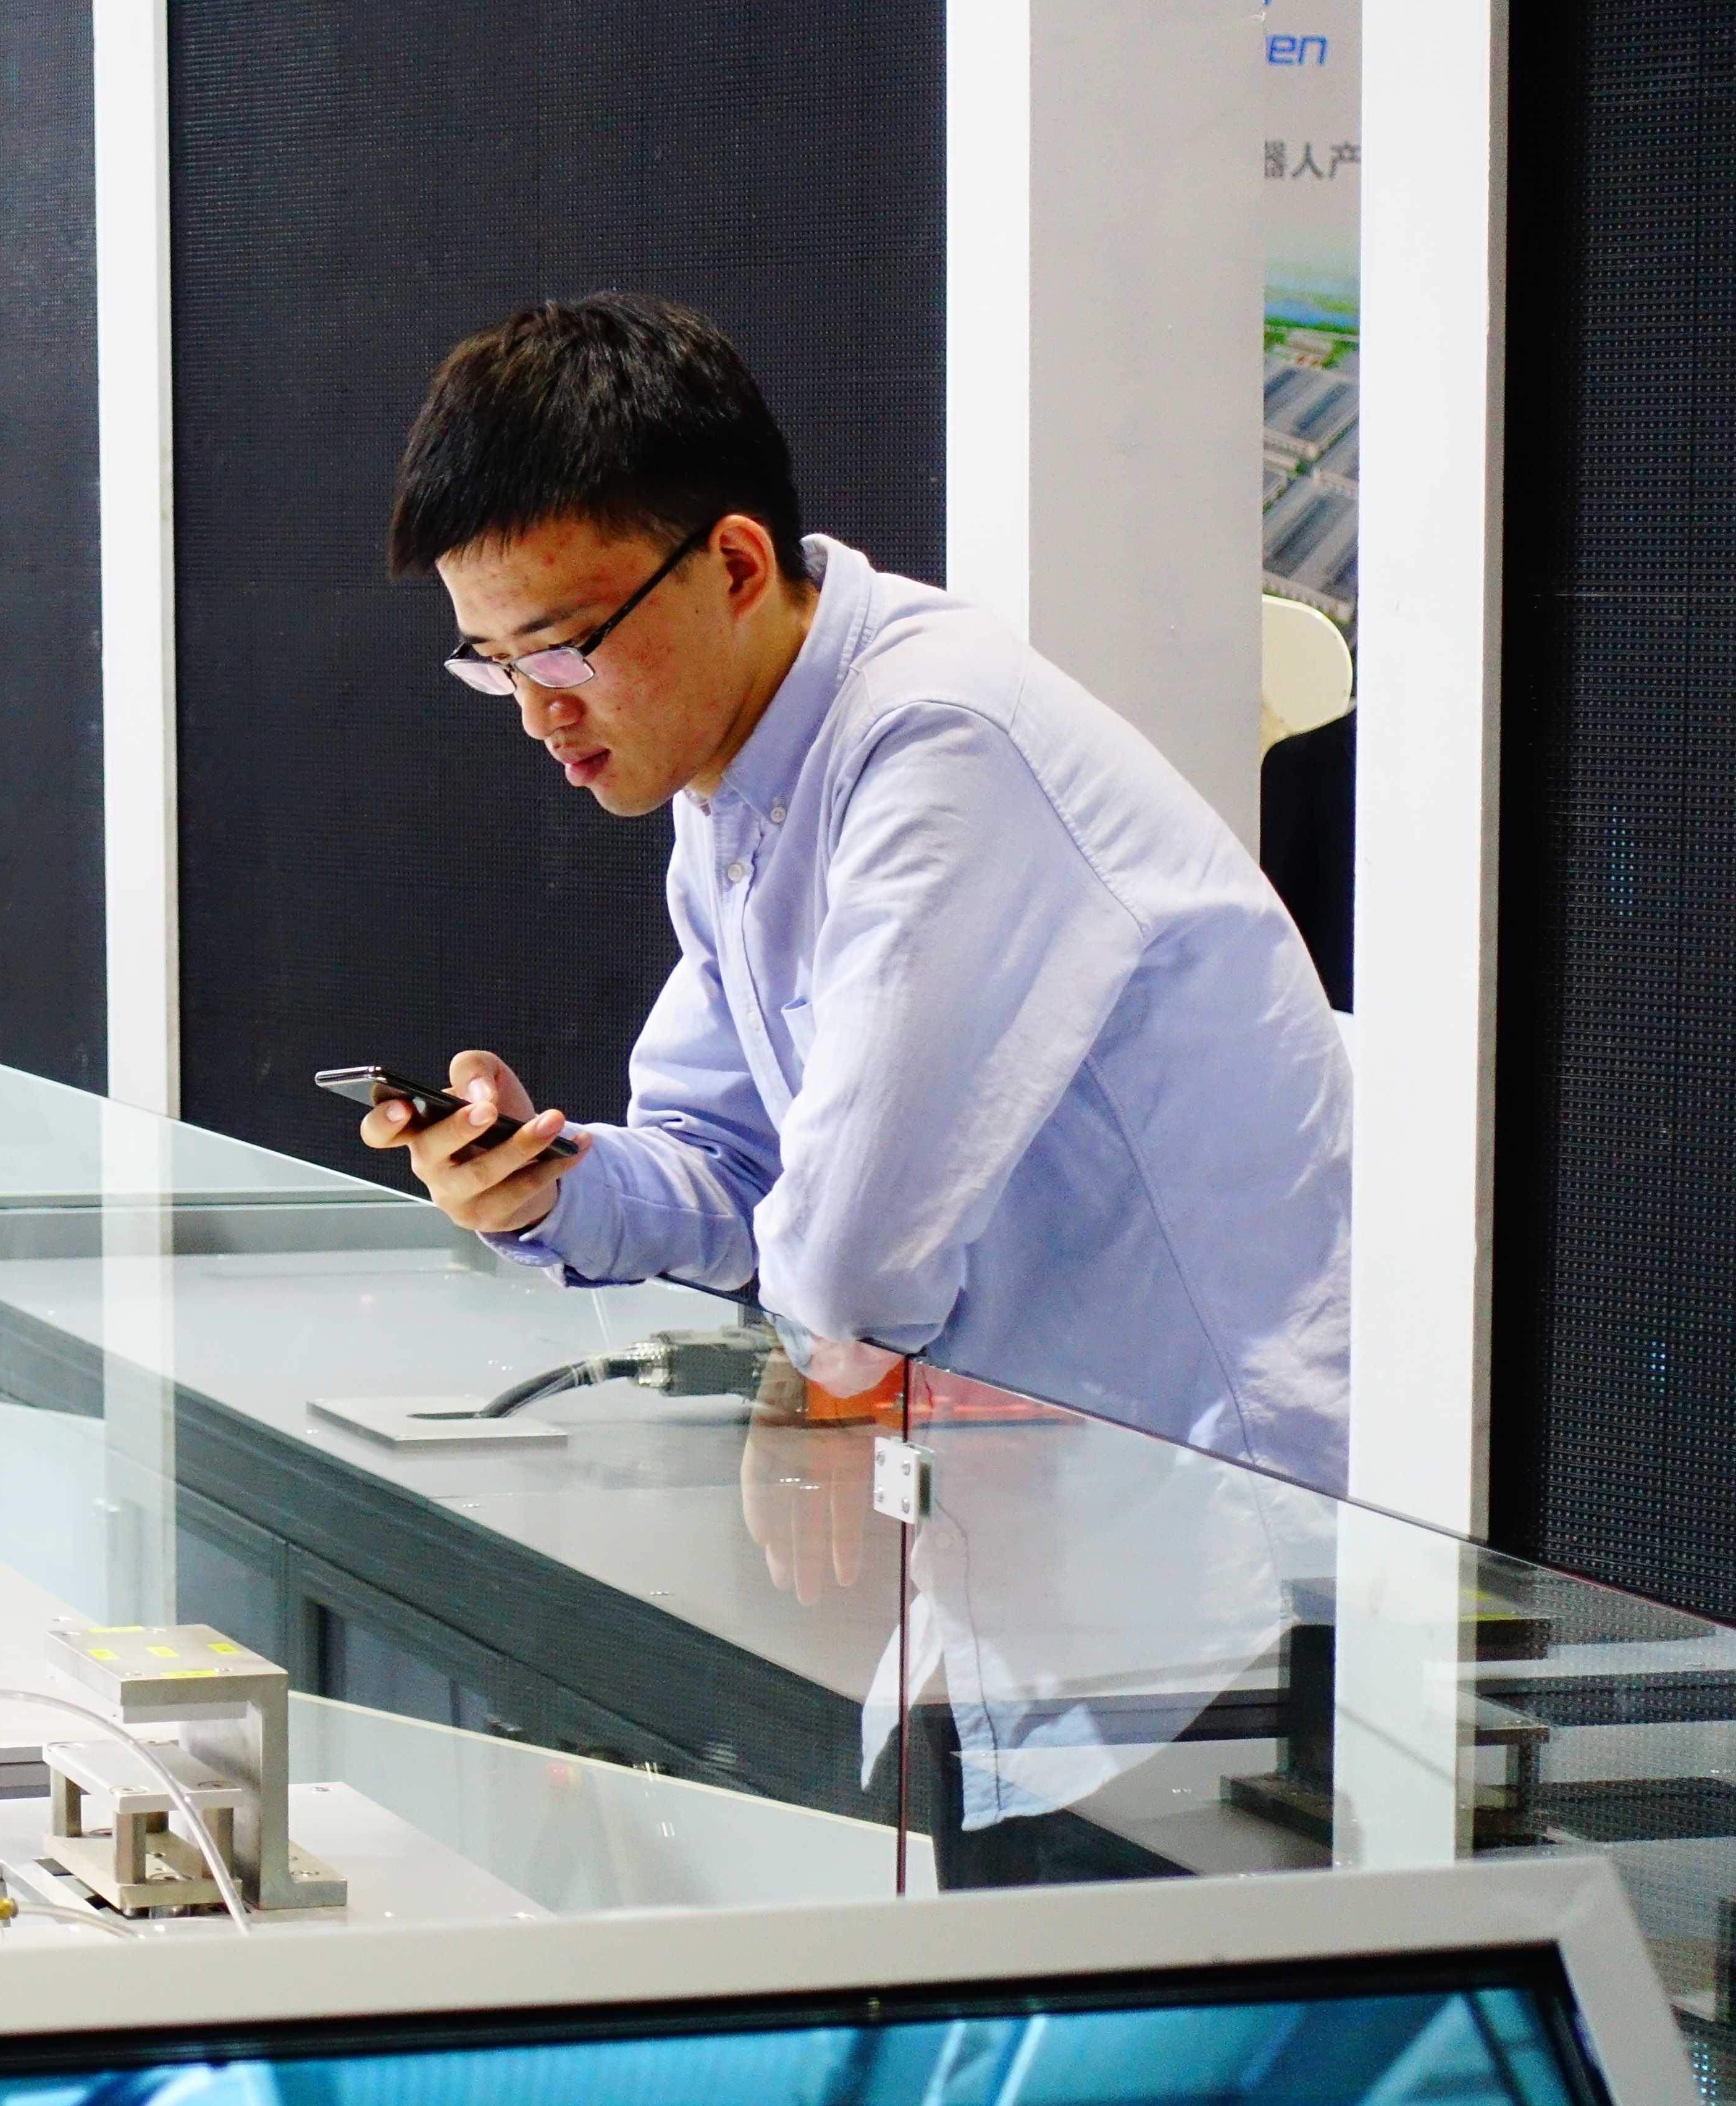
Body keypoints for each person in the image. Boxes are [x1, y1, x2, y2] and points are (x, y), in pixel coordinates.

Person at [363, 294, 1353, 1538]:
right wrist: (544, 1189)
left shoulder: (941, 743)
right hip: (1033, 1513)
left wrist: (812, 1366)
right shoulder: (738, 766)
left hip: (1225, 1530)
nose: (535, 710)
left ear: (734, 566)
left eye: (562, 649)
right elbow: (733, 1171)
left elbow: (845, 1262)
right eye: (494, 662)